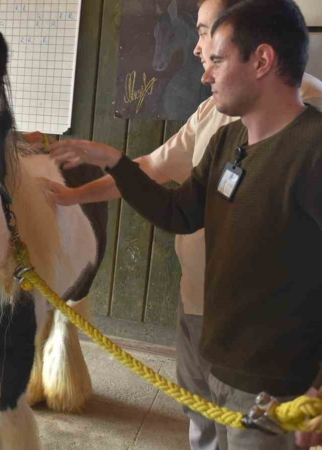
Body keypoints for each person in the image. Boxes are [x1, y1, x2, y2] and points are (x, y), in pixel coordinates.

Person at [42, 0, 322, 448]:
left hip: (275, 379)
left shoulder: (313, 148)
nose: (205, 73)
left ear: (263, 61)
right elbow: (180, 212)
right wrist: (113, 161)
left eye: (216, 59)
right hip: (218, 352)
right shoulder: (229, 136)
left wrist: (317, 389)